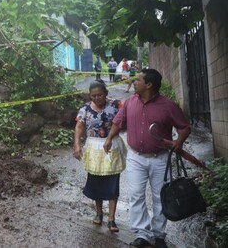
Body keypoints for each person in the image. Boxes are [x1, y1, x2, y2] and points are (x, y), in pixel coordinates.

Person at [103, 69, 191, 248]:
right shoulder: (129, 102)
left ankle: (158, 235)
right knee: (136, 195)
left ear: (149, 85)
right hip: (135, 157)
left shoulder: (168, 105)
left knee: (160, 196)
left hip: (160, 158)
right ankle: (143, 234)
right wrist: (109, 138)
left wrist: (178, 142)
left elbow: (184, 128)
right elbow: (118, 122)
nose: (134, 82)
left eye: (139, 80)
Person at [73, 80, 124, 233]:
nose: (97, 98)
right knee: (96, 181)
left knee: (112, 181)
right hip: (93, 148)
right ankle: (99, 213)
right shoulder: (85, 109)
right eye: (93, 96)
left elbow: (125, 121)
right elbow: (79, 126)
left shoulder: (116, 105)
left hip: (112, 147)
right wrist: (77, 144)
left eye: (100, 95)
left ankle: (112, 219)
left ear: (106, 93)